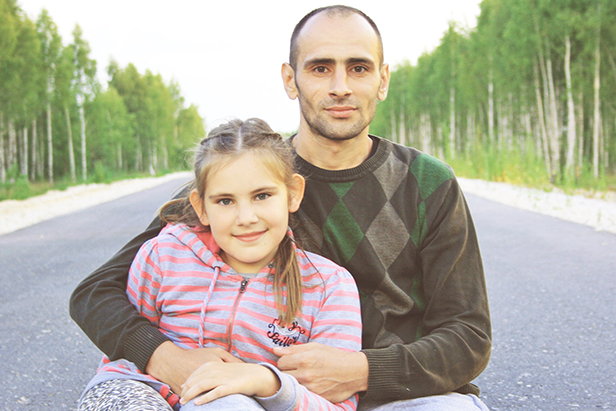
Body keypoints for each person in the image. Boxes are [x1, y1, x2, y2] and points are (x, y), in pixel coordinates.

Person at [71, 5, 491, 411]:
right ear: (291, 80)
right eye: (320, 68)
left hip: (400, 395)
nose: (340, 85)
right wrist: (166, 359)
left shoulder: (429, 183)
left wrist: (362, 370)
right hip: (269, 398)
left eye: (358, 68)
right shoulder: (247, 180)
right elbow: (95, 294)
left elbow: (468, 337)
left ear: (382, 80)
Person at [77, 118, 362, 410]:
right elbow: (123, 355)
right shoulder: (164, 254)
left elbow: (336, 406)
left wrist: (268, 382)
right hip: (139, 388)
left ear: (293, 193)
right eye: (225, 201)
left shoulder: (327, 285)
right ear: (201, 207)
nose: (246, 217)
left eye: (262, 196)